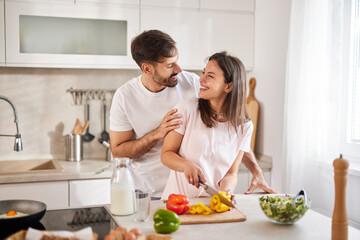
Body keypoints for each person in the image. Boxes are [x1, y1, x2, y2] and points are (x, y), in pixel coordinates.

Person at [109, 30, 275, 199]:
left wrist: (256, 170)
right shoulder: (125, 97)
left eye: (177, 61)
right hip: (147, 190)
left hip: (194, 192)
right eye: (169, 65)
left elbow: (231, 137)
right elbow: (118, 152)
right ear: (147, 69)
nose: (179, 69)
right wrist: (157, 134)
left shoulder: (192, 84)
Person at [161, 52, 260, 198]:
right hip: (176, 203)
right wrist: (185, 165)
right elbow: (166, 154)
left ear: (229, 86)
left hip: (210, 206)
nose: (201, 79)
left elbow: (231, 173)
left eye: (210, 76)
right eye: (203, 73)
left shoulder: (244, 126)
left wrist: (226, 192)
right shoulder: (187, 108)